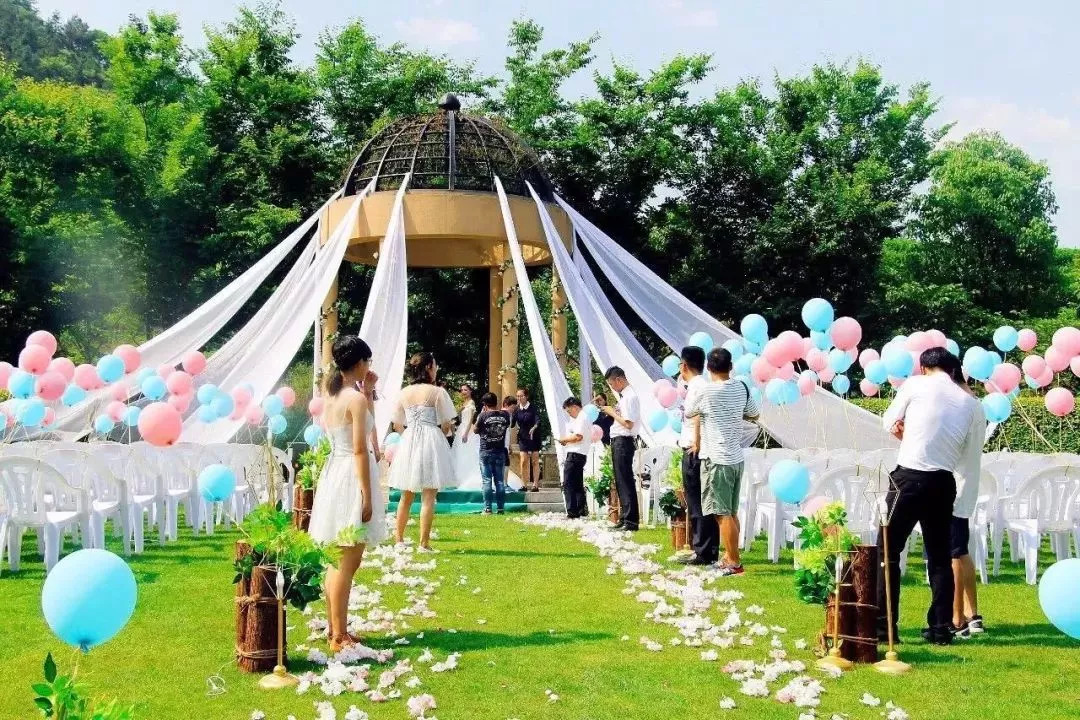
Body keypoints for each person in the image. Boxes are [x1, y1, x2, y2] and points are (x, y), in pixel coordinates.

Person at [878, 346, 983, 645]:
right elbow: (969, 455)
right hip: (943, 482)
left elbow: (888, 420)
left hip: (909, 478)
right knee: (939, 557)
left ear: (923, 368)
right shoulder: (970, 403)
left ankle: (884, 627)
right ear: (952, 370)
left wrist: (903, 430)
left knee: (888, 552)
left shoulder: (915, 384)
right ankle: (940, 628)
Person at [307, 336, 387, 652]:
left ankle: (336, 629)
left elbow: (364, 429)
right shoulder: (351, 398)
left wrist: (368, 391)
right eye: (368, 361)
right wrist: (367, 495)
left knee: (338, 560)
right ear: (360, 362)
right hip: (351, 475)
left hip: (335, 475)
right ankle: (338, 634)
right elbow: (359, 449)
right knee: (347, 561)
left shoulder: (334, 395)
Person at [685, 348, 760, 576]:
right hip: (735, 458)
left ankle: (734, 562)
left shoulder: (706, 390)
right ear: (731, 366)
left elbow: (689, 412)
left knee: (721, 513)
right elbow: (754, 414)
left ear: (708, 367)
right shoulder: (742, 387)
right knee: (731, 511)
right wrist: (734, 413)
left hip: (717, 459)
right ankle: (729, 556)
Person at [387, 352, 456, 551]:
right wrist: (440, 433)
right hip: (431, 439)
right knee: (429, 496)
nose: (436, 369)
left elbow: (397, 424)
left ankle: (399, 539)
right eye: (434, 365)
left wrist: (409, 436)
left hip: (409, 440)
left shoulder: (404, 392)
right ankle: (423, 543)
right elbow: (446, 424)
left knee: (406, 495)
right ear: (428, 367)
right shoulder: (438, 392)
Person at [941, 356, 987, 638]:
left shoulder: (960, 405)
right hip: (965, 484)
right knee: (961, 550)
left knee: (954, 553)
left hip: (953, 486)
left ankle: (957, 618)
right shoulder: (974, 403)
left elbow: (946, 445)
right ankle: (972, 614)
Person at [675, 346, 718, 566]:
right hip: (696, 447)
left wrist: (698, 443)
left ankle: (704, 550)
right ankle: (704, 548)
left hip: (696, 449)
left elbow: (700, 416)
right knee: (699, 500)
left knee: (697, 501)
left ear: (684, 365)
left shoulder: (698, 387)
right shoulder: (699, 385)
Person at [598, 366, 640, 531]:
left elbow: (628, 424)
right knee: (621, 480)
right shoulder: (625, 397)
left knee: (625, 479)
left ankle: (631, 520)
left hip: (624, 440)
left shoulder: (630, 397)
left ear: (618, 380)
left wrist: (612, 412)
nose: (612, 387)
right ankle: (625, 517)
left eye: (611, 384)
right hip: (618, 440)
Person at [473, 391, 512, 514]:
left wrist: (482, 415)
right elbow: (507, 425)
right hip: (500, 451)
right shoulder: (505, 415)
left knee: (487, 481)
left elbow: (475, 430)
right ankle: (500, 508)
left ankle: (488, 508)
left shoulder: (483, 416)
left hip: (485, 451)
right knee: (500, 481)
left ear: (485, 404)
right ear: (497, 402)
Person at [557, 397, 592, 519]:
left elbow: (578, 437)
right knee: (577, 483)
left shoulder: (582, 417)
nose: (569, 414)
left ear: (575, 407)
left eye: (569, 411)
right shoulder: (583, 417)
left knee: (568, 483)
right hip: (580, 453)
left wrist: (565, 439)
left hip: (575, 453)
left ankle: (572, 511)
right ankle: (580, 509)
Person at [513, 388, 543, 491]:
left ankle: (535, 485)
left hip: (534, 436)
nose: (519, 398)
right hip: (523, 437)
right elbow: (512, 424)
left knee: (535, 461)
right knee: (523, 461)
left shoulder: (533, 407)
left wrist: (534, 427)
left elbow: (538, 420)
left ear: (526, 396)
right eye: (518, 396)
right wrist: (510, 413)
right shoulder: (517, 409)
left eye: (521, 396)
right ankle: (524, 485)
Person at [452, 383, 479, 487]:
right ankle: (459, 477)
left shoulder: (471, 402)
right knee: (460, 453)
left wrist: (466, 433)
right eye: (462, 390)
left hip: (468, 429)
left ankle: (469, 476)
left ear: (470, 391)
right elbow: (458, 417)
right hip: (461, 428)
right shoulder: (463, 403)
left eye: (465, 390)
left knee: (469, 452)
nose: (463, 392)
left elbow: (470, 420)